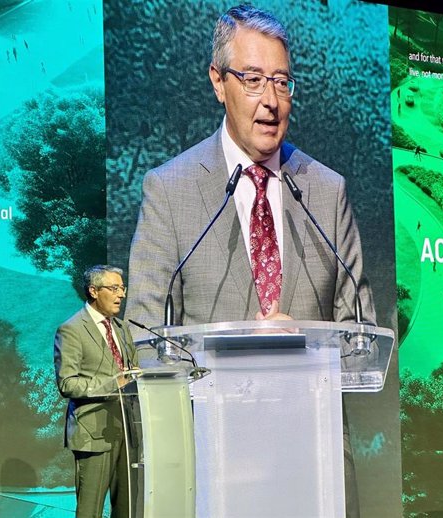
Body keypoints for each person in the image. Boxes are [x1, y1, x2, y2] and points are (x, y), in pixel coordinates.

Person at [125, 5, 375, 517]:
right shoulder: (170, 190)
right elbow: (143, 339)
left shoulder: (326, 190)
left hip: (314, 464)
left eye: (282, 82)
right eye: (254, 79)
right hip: (214, 467)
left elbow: (361, 335)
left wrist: (302, 349)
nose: (271, 102)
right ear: (219, 82)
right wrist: (240, 355)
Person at [54, 265, 138, 518]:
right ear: (93, 291)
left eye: (122, 288)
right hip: (93, 433)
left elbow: (130, 371)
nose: (121, 294)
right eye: (114, 288)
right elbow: (67, 383)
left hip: (126, 428)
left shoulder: (122, 328)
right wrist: (114, 383)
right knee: (90, 511)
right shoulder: (71, 329)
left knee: (128, 507)